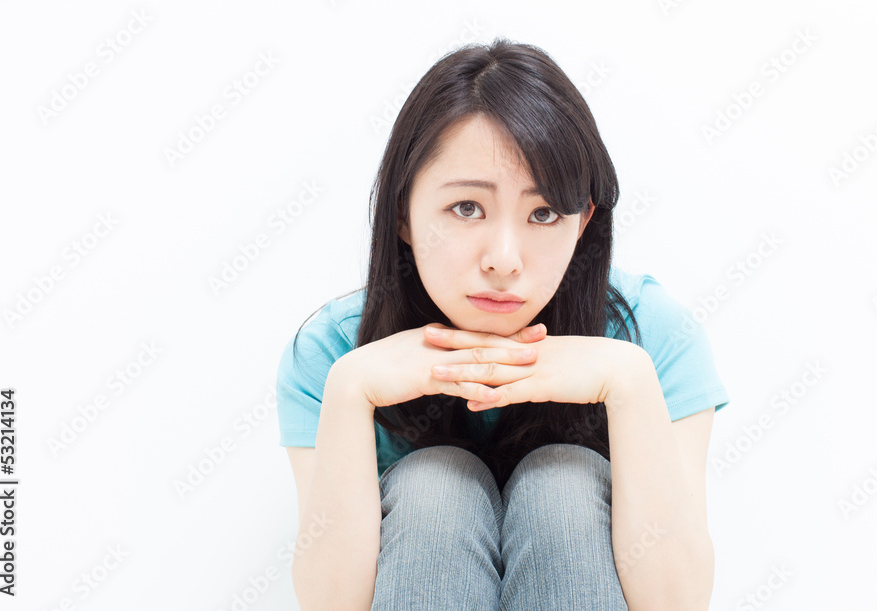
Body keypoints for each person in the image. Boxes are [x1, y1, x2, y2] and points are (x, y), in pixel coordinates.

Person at [277, 37, 730, 610]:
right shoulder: (336, 350)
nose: (504, 260)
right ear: (402, 213)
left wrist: (631, 387)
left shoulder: (649, 336)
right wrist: (349, 392)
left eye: (544, 213)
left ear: (582, 223)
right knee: (435, 487)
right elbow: (332, 604)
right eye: (467, 208)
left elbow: (677, 603)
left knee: (563, 484)